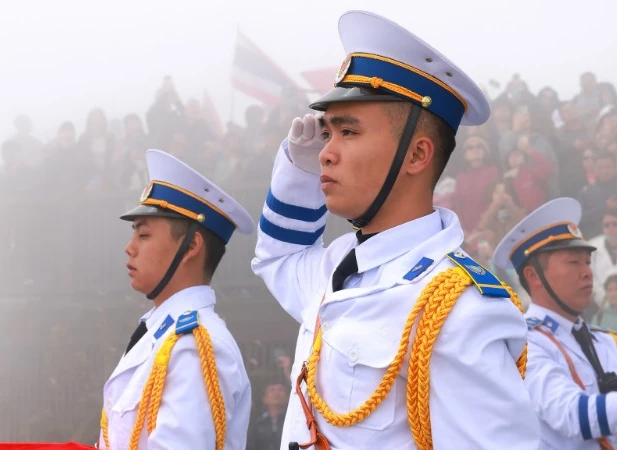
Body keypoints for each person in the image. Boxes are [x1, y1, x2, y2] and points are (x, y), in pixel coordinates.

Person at [251, 10, 539, 449]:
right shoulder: (338, 266)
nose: (326, 153)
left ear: (417, 155)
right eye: (327, 134)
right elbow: (278, 257)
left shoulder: (460, 308)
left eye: (348, 131)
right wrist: (296, 170)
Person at [100, 150, 253, 450]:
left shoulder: (196, 346)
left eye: (143, 236)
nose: (129, 248)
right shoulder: (159, 335)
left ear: (190, 246)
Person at [494, 197, 617, 449]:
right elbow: (572, 415)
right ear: (533, 276)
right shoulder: (524, 345)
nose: (587, 272)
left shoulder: (605, 342)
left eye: (588, 262)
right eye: (573, 262)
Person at [247, 381, 289, 450]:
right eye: (272, 390)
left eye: (280, 390)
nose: (276, 393)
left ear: (287, 398)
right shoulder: (257, 424)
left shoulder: (291, 422)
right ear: (265, 399)